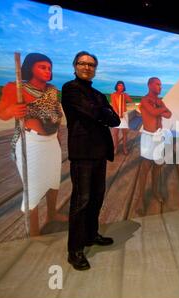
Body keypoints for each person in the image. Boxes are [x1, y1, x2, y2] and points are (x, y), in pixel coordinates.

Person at [61, 51, 120, 271]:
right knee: (81, 200)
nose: (87, 67)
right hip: (82, 153)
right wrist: (102, 111)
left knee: (96, 197)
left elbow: (113, 119)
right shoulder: (70, 89)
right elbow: (91, 112)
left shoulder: (97, 93)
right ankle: (74, 250)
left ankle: (90, 235)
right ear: (75, 66)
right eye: (82, 63)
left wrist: (102, 112)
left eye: (91, 64)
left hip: (99, 152)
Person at [0, 53, 66, 236]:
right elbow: (1, 113)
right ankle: (34, 233)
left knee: (53, 180)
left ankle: (51, 215)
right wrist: (12, 109)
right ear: (30, 68)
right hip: (31, 142)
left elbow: (54, 115)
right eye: (42, 67)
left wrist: (58, 140)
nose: (47, 70)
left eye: (49, 68)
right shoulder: (15, 87)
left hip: (52, 141)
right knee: (33, 188)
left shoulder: (52, 90)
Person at [132, 77, 172, 215]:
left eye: (161, 85)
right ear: (149, 85)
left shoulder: (159, 101)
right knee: (145, 167)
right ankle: (140, 198)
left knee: (157, 165)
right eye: (157, 84)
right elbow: (155, 112)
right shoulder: (144, 100)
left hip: (159, 136)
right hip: (149, 136)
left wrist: (160, 108)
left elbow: (169, 115)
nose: (160, 87)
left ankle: (155, 191)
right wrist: (162, 109)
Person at [111, 81, 133, 155]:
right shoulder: (113, 95)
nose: (120, 87)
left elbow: (130, 101)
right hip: (116, 115)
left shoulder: (124, 95)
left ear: (123, 87)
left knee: (124, 133)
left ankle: (124, 147)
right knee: (115, 133)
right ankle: (115, 147)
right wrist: (117, 113)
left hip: (124, 114)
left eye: (122, 85)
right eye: (119, 85)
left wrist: (127, 96)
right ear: (117, 86)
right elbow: (114, 105)